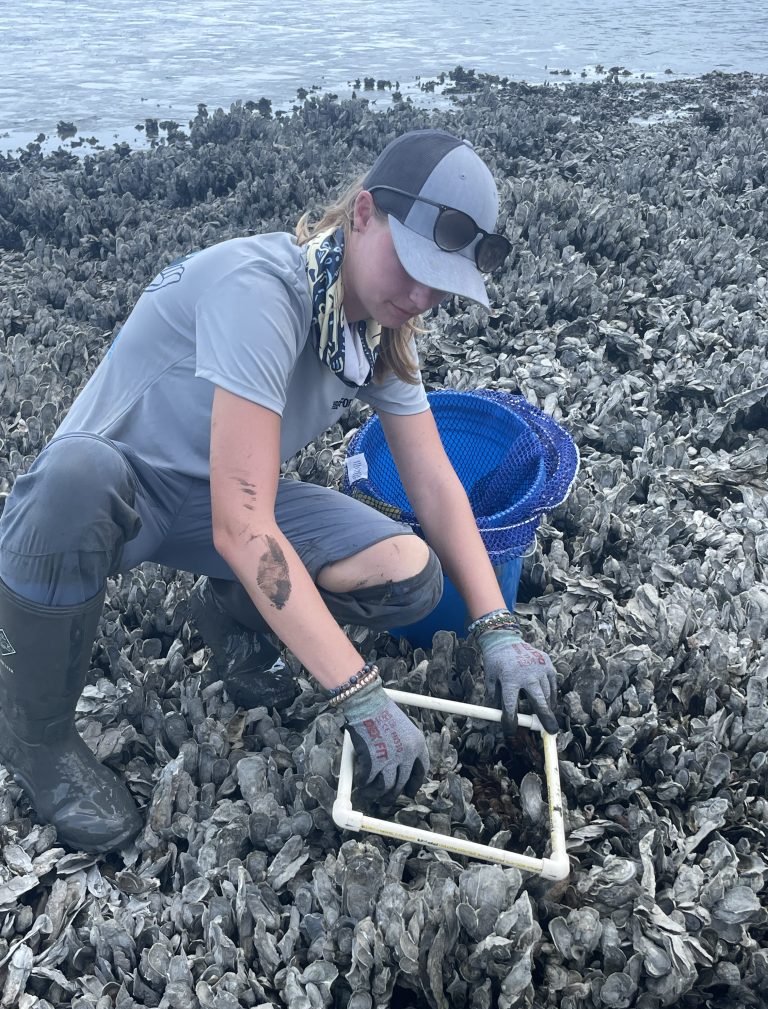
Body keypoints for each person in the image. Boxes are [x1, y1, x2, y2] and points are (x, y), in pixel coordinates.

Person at [0, 128, 558, 855]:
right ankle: (37, 739)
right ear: (363, 214)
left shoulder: (373, 331)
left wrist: (498, 629)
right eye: (412, 265)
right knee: (76, 478)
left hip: (223, 505)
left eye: (439, 285)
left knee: (408, 574)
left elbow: (435, 483)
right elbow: (244, 529)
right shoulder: (262, 291)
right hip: (115, 501)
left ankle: (232, 616)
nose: (420, 295)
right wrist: (358, 691)